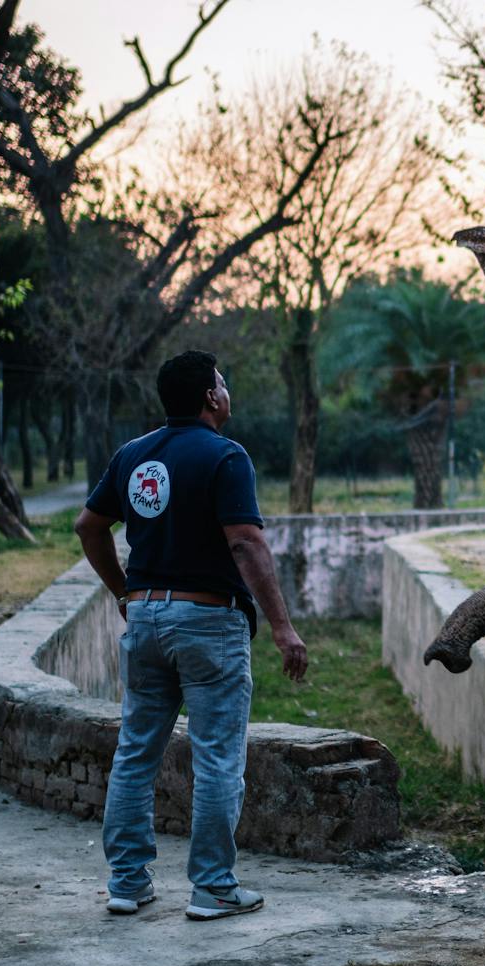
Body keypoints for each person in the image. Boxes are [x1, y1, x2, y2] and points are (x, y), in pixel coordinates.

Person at [73, 349, 308, 921]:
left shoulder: (134, 455)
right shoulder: (226, 455)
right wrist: (282, 628)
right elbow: (245, 543)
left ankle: (127, 883)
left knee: (135, 753)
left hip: (145, 620)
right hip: (209, 623)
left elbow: (89, 526)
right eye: (222, 383)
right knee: (218, 758)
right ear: (210, 396)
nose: (227, 392)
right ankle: (213, 887)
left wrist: (125, 593)